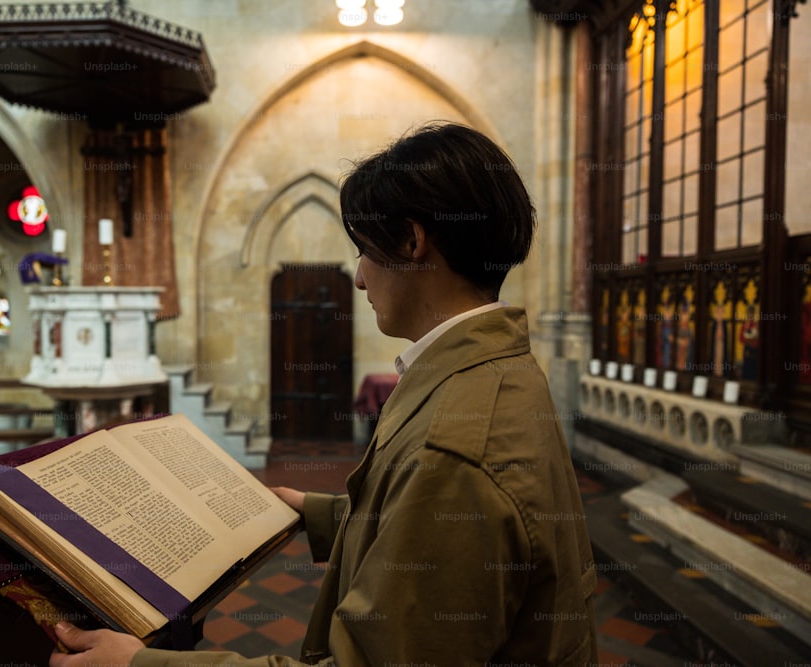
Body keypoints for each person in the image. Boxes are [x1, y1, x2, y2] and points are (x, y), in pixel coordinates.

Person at [50, 122, 598, 666]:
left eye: (362, 249)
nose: (358, 278)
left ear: (411, 241)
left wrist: (137, 665)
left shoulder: (454, 448)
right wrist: (311, 511)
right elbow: (422, 526)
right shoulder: (496, 367)